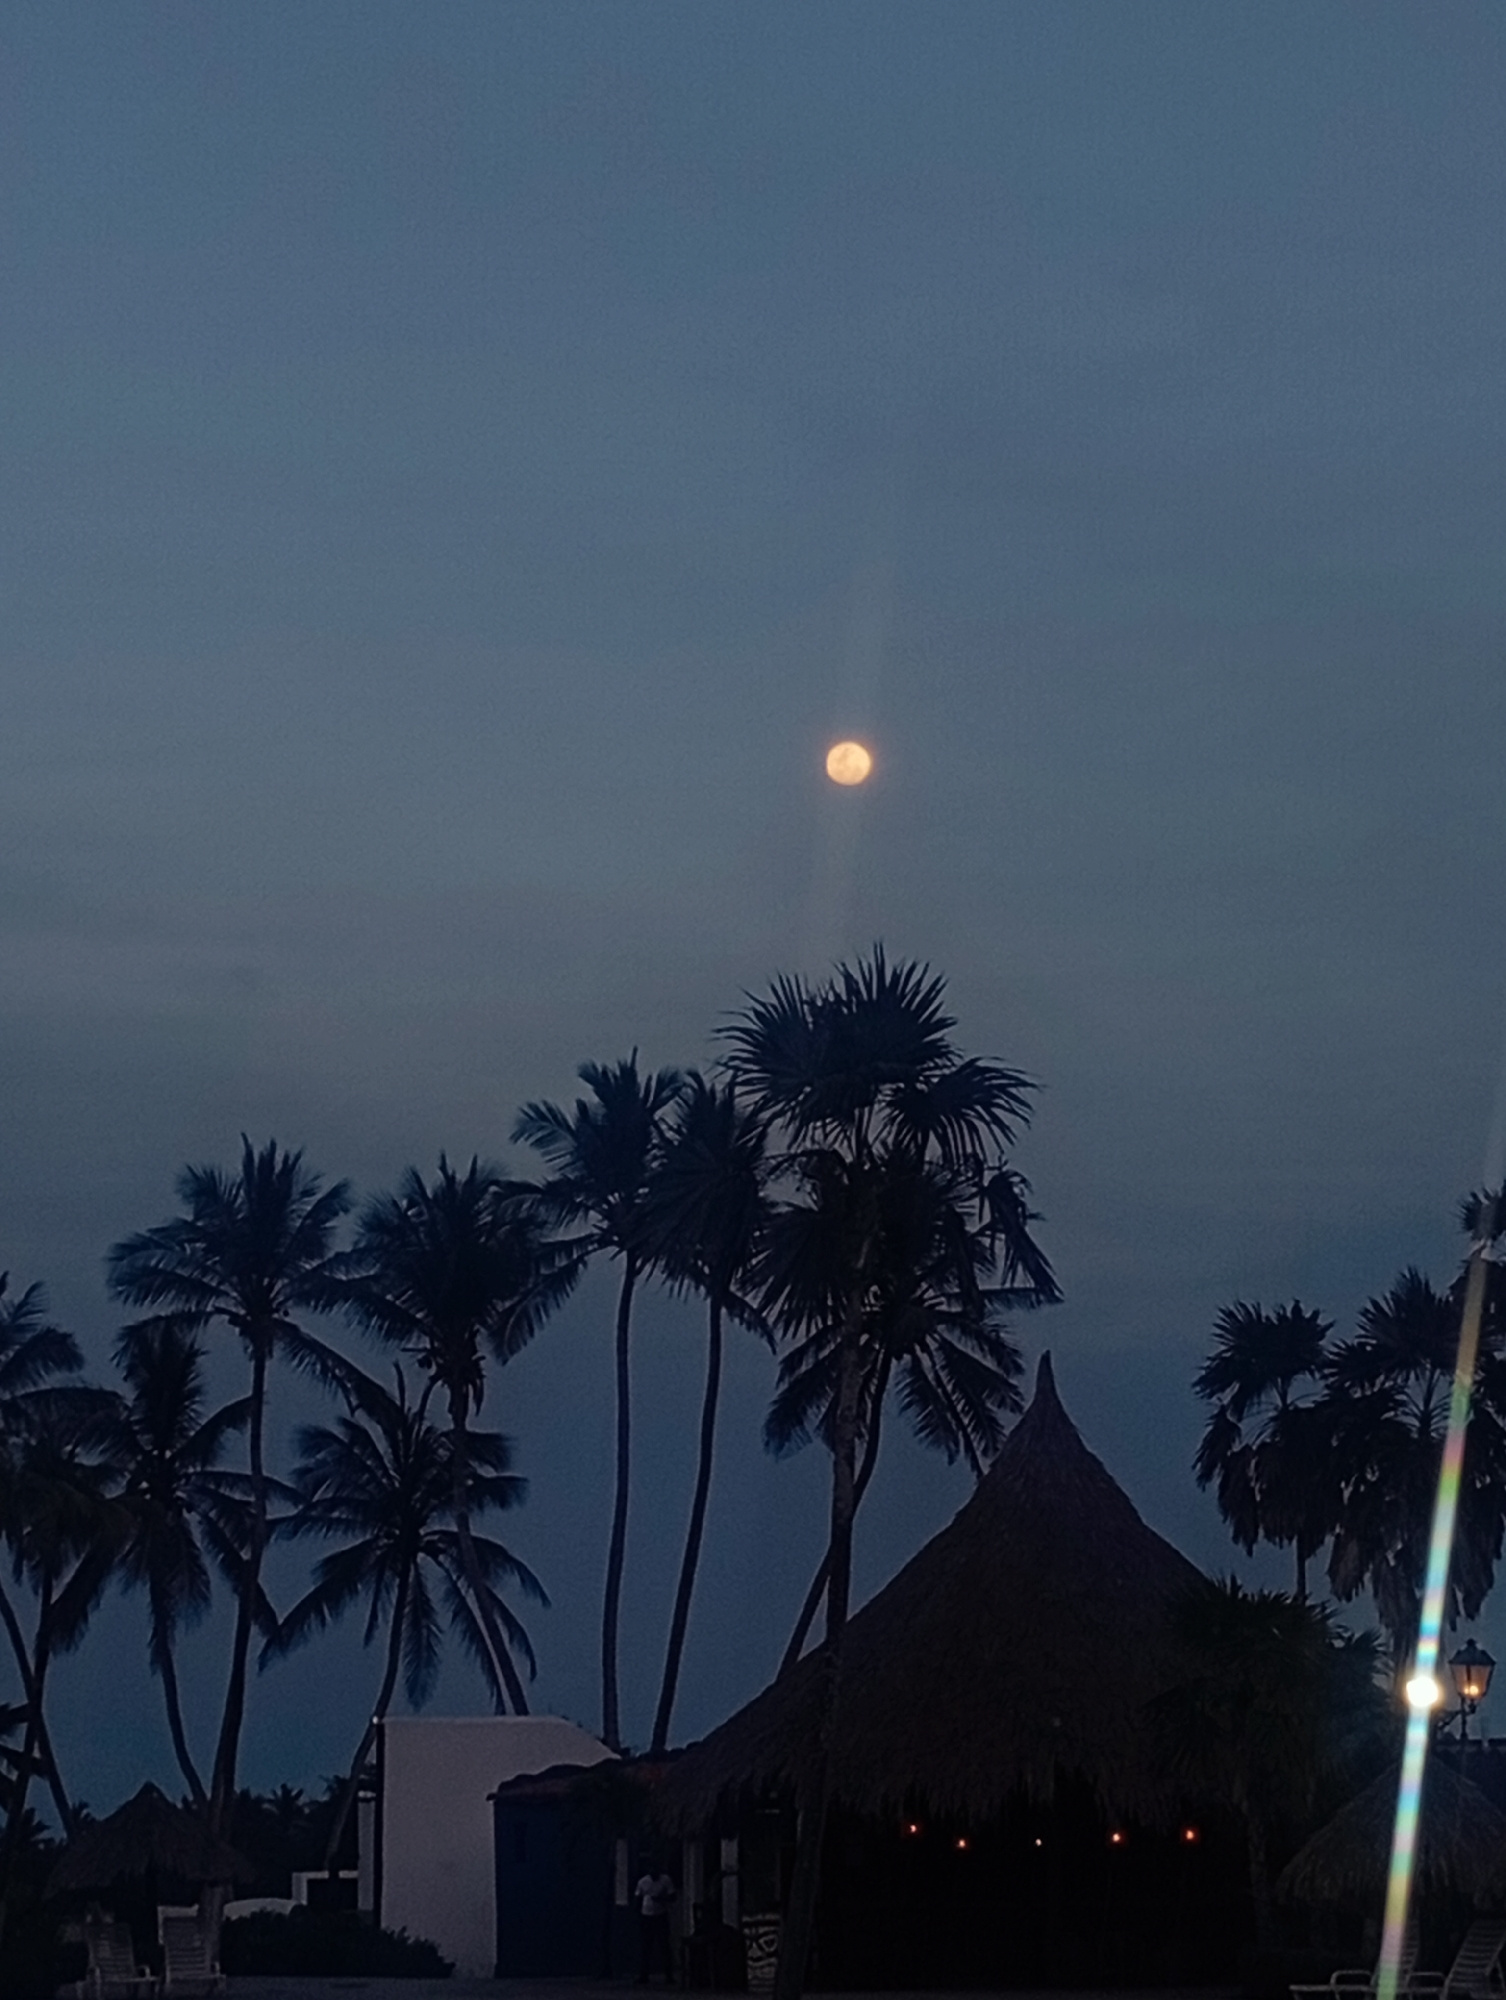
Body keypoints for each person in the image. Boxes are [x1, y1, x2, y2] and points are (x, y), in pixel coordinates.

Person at [635, 1861, 678, 1985]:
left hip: (660, 1915)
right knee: (646, 1947)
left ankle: (668, 1975)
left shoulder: (665, 1880)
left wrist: (661, 1899)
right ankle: (644, 1975)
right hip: (647, 1916)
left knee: (664, 1946)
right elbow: (637, 1898)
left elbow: (673, 1896)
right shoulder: (643, 1882)